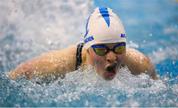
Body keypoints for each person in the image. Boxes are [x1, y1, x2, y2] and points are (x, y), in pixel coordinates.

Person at [8, 7, 157, 81]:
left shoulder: (140, 64)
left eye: (118, 48)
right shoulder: (61, 63)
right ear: (88, 49)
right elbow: (14, 77)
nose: (112, 57)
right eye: (101, 49)